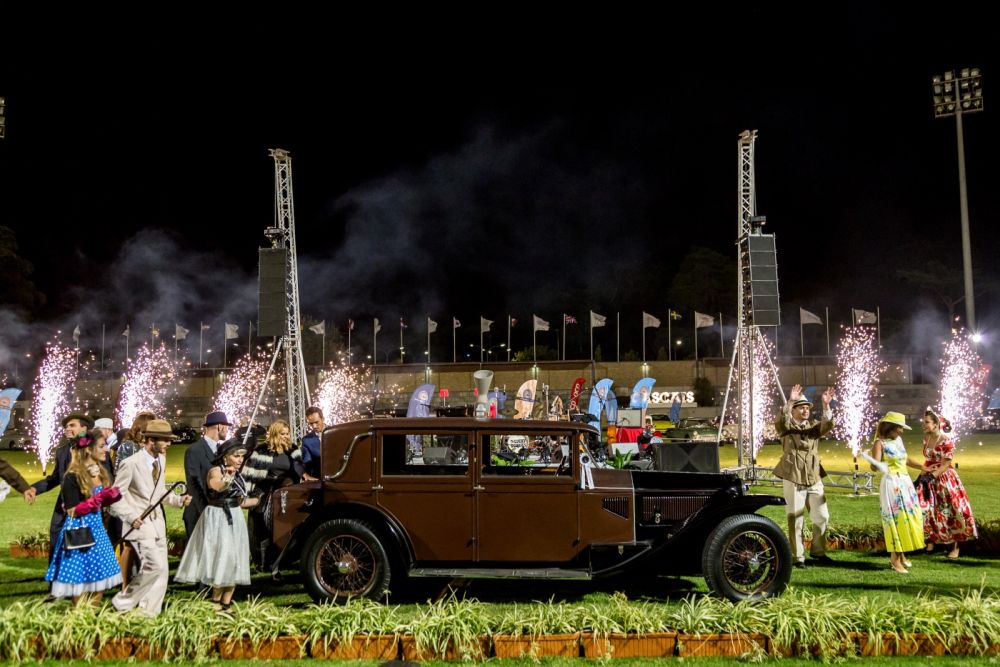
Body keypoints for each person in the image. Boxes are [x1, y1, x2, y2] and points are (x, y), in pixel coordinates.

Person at [109, 419, 192, 617]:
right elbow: (114, 498)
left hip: (157, 523)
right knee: (154, 565)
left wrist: (178, 500)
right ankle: (123, 602)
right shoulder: (130, 464)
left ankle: (149, 612)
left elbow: (159, 492)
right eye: (164, 440)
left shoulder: (161, 461)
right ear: (150, 440)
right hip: (139, 525)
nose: (169, 444)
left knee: (162, 571)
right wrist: (131, 516)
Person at [175, 439, 259, 611]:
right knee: (223, 558)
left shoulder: (237, 474)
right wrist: (227, 478)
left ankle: (226, 604)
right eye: (236, 456)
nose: (239, 460)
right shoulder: (215, 471)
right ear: (225, 456)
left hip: (234, 516)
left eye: (241, 457)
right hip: (219, 517)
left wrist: (261, 500)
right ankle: (215, 603)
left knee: (235, 560)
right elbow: (218, 486)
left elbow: (240, 501)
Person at [44, 433, 123, 606]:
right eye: (102, 446)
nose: (106, 449)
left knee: (101, 577)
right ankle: (77, 619)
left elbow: (101, 501)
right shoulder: (72, 476)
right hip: (79, 533)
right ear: (88, 448)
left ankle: (92, 618)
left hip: (98, 531)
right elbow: (72, 510)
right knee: (80, 581)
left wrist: (111, 497)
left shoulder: (101, 471)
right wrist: (98, 499)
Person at [772, 384, 835, 568]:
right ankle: (798, 556)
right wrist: (790, 400)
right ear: (794, 410)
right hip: (793, 475)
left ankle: (818, 552)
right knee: (796, 517)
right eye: (802, 407)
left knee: (822, 515)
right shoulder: (786, 428)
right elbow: (780, 420)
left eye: (807, 408)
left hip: (814, 476)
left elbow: (828, 424)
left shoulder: (814, 428)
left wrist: (826, 405)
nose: (806, 410)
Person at [861, 412, 924, 573]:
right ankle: (895, 560)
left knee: (909, 516)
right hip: (891, 484)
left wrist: (924, 467)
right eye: (900, 428)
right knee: (897, 519)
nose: (902, 431)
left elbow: (906, 459)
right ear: (891, 427)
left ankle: (901, 554)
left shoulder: (898, 440)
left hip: (905, 482)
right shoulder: (880, 443)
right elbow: (875, 467)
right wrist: (871, 460)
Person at [32, 413, 94, 562]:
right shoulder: (62, 451)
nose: (67, 428)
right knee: (56, 536)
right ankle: (55, 576)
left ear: (83, 428)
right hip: (63, 505)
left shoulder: (93, 448)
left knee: (84, 544)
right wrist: (34, 489)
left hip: (86, 504)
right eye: (66, 426)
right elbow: (54, 479)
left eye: (72, 425)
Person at [917, 409, 978, 558]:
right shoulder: (926, 438)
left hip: (944, 479)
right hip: (928, 477)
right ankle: (931, 540)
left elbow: (945, 465)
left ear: (936, 424)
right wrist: (922, 475)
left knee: (950, 509)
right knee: (927, 509)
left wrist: (932, 476)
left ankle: (954, 546)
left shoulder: (946, 441)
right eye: (923, 422)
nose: (923, 425)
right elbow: (928, 459)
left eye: (926, 422)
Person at [243, 419, 303, 566]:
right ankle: (262, 561)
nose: (286, 436)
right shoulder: (261, 450)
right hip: (265, 494)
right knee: (263, 528)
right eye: (283, 434)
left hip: (287, 495)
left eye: (287, 434)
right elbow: (248, 474)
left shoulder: (293, 450)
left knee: (285, 529)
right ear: (275, 434)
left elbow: (300, 471)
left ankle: (284, 560)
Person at [183, 411, 231, 538]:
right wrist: (206, 511)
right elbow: (194, 484)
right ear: (220, 426)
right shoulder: (194, 450)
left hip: (217, 512)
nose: (227, 431)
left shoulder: (221, 450)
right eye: (226, 427)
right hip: (199, 514)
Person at [301, 406, 325, 479]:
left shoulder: (336, 433)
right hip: (320, 480)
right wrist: (306, 476)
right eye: (311, 424)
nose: (314, 426)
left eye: (316, 422)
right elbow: (307, 463)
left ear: (323, 419)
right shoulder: (306, 440)